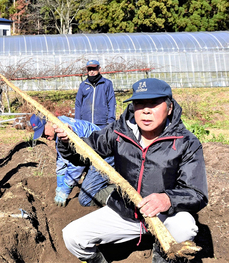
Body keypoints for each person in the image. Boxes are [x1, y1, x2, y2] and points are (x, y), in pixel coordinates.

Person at [55, 78, 208, 262]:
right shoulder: (119, 132)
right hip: (126, 211)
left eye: (154, 103)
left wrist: (168, 199)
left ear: (169, 108)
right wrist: (68, 141)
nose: (145, 110)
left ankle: (162, 253)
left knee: (185, 229)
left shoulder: (186, 143)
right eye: (139, 103)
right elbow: (84, 153)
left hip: (166, 215)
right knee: (72, 236)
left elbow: (197, 192)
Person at [29, 114, 115, 207]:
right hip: (94, 156)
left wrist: (65, 189)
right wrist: (60, 182)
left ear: (49, 122)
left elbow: (77, 165)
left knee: (85, 199)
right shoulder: (59, 127)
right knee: (89, 185)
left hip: (104, 156)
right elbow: (62, 158)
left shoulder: (67, 130)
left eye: (43, 133)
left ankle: (121, 195)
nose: (45, 137)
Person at [75, 60, 116, 129]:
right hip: (86, 123)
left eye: (94, 69)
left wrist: (110, 121)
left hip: (102, 123)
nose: (92, 71)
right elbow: (78, 104)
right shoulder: (83, 85)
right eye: (89, 69)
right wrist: (78, 121)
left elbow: (111, 103)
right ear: (87, 70)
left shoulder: (106, 84)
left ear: (99, 69)